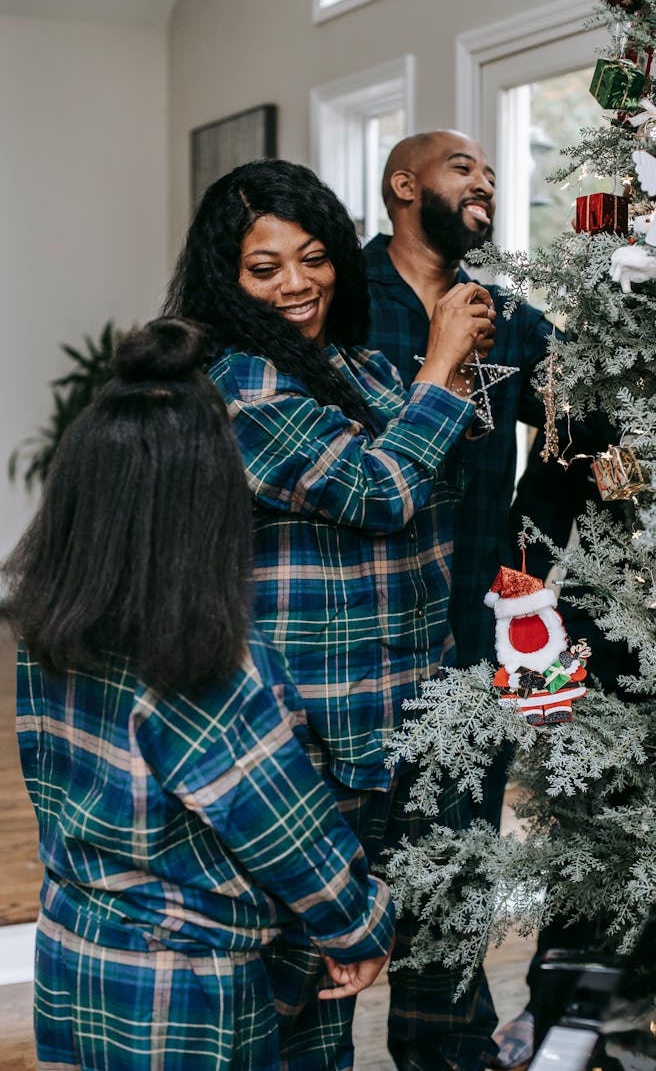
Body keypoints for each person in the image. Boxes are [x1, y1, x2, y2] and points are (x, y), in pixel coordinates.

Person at [163, 159, 500, 1069]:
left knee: (430, 967)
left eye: (313, 258)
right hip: (314, 739)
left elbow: (446, 466)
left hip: (411, 723)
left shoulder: (352, 362)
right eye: (264, 268)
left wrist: (441, 381)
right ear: (223, 279)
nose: (297, 284)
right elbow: (380, 487)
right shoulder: (238, 385)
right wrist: (440, 362)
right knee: (307, 1006)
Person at [5, 318, 396, 1070]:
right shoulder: (204, 662)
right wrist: (359, 925)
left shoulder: (47, 618)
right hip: (180, 982)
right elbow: (290, 831)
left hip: (75, 948)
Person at [364, 129, 587, 1070]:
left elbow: (585, 416)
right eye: (465, 168)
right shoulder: (338, 303)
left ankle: (446, 1053)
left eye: (492, 173)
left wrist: (526, 544)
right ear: (404, 183)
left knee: (455, 863)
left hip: (467, 631)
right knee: (342, 867)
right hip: (358, 634)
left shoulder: (512, 320)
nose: (486, 183)